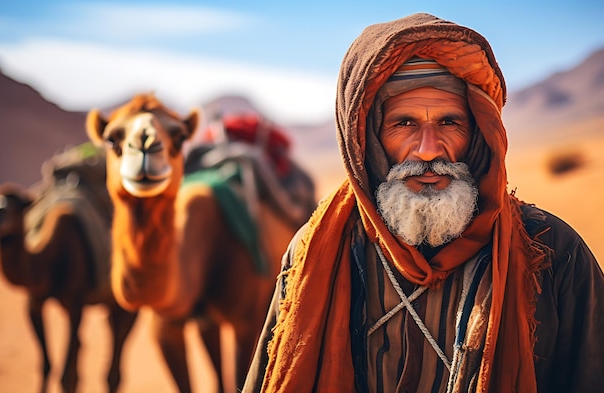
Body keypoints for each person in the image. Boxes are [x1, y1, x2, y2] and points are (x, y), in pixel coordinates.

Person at [241, 12, 604, 393]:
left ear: (479, 134)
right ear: (366, 141)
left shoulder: (552, 251)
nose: (429, 151)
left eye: (449, 122)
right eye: (404, 124)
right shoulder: (312, 253)